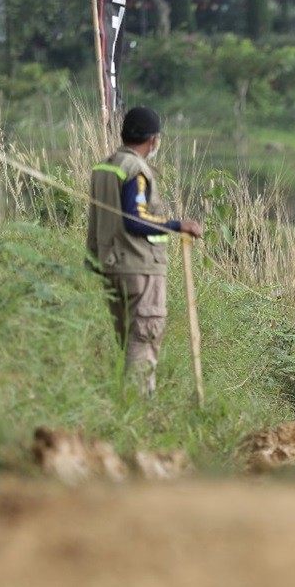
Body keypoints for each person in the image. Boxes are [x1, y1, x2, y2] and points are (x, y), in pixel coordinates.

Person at [87, 106, 203, 394]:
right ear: (153, 140)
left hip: (111, 267)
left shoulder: (105, 165)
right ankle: (138, 412)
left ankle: (125, 406)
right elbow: (134, 218)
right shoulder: (135, 169)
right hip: (139, 268)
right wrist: (178, 225)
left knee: (128, 341)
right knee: (143, 341)